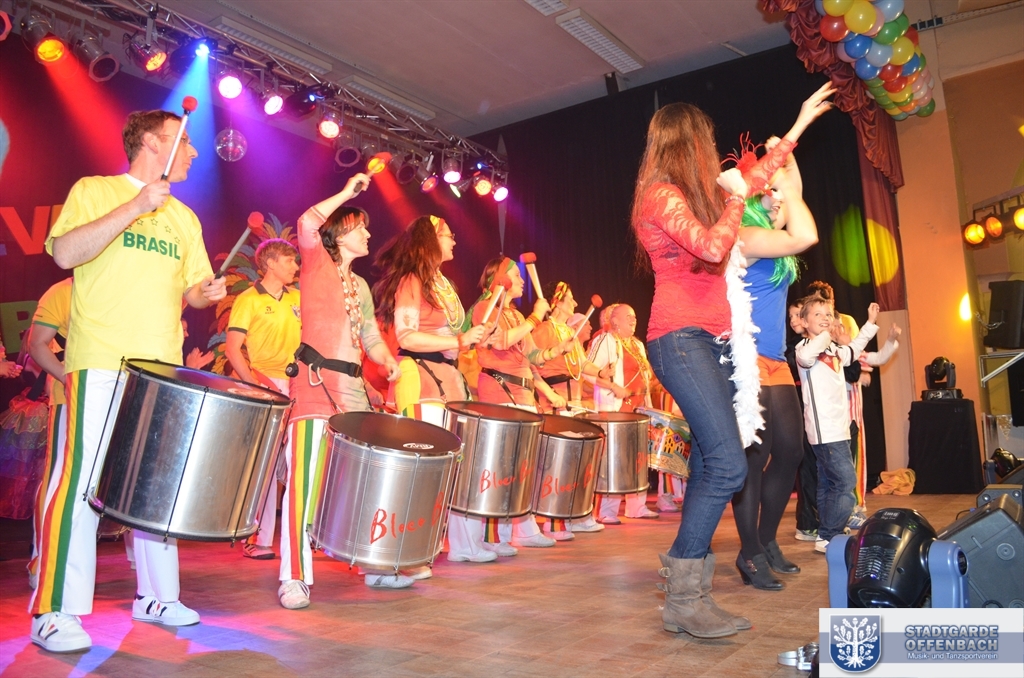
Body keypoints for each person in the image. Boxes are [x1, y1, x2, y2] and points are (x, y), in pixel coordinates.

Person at [631, 83, 832, 639]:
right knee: (728, 463)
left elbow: (760, 174)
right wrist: (737, 198)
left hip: (713, 341)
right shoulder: (660, 196)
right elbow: (713, 246)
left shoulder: (696, 196)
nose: (711, 148)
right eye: (705, 139)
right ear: (688, 143)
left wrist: (798, 125)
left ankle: (689, 596)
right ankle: (682, 592)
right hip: (680, 338)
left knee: (710, 463)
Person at [31, 109, 226, 652]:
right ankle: (54, 610)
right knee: (81, 484)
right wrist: (136, 206)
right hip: (101, 359)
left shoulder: (185, 217)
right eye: (183, 143)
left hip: (161, 370)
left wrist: (207, 294)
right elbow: (65, 252)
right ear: (150, 142)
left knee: (152, 490)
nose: (193, 153)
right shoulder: (96, 190)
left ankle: (157, 597)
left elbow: (194, 290)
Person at [277, 175, 401, 610]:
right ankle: (294, 577)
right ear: (340, 233)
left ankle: (371, 562)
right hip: (314, 386)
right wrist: (348, 194)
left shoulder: (361, 286)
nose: (368, 234)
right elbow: (307, 223)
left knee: (359, 484)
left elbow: (370, 336)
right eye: (359, 227)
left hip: (353, 395)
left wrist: (385, 360)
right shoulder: (315, 262)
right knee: (303, 483)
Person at [371, 215, 490, 565]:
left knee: (455, 465)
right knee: (423, 467)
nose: (454, 240)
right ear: (430, 240)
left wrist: (467, 340)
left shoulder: (441, 283)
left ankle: (465, 545)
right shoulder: (412, 280)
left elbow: (448, 338)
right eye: (448, 235)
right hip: (420, 378)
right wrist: (459, 340)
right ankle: (405, 552)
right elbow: (407, 337)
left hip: (447, 376)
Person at [729, 136, 820, 591]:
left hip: (775, 359)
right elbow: (805, 232)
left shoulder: (768, 227)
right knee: (754, 457)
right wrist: (779, 180)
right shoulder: (745, 236)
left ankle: (765, 541)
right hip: (744, 359)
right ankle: (749, 551)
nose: (778, 198)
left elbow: (792, 193)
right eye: (768, 192)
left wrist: (787, 156)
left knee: (791, 451)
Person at [471, 257, 567, 550]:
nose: (522, 280)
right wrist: (535, 318)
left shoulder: (514, 314)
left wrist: (556, 352)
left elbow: (532, 357)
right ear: (500, 278)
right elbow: (501, 341)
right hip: (501, 391)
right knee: (501, 466)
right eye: (516, 274)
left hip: (523, 395)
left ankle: (523, 528)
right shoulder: (486, 307)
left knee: (523, 467)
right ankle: (493, 536)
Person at [225, 239, 301, 560]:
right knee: (266, 465)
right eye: (289, 261)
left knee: (298, 461)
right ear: (270, 263)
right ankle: (257, 536)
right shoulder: (248, 299)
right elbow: (232, 349)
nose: (295, 266)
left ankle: (304, 536)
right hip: (267, 382)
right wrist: (254, 385)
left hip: (299, 385)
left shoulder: (298, 297)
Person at [795, 296, 879, 554]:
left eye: (829, 314)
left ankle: (826, 533)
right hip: (824, 431)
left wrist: (870, 323)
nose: (825, 318)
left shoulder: (832, 350)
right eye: (818, 314)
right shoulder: (804, 348)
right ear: (804, 322)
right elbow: (807, 357)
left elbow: (853, 349)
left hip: (840, 428)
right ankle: (830, 534)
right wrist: (825, 333)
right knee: (845, 482)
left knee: (828, 484)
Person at [532, 281, 613, 535]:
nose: (576, 303)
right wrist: (548, 395)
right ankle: (554, 521)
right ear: (556, 302)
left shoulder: (570, 333)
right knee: (557, 464)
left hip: (574, 403)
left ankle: (577, 514)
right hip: (555, 403)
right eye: (570, 299)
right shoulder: (543, 330)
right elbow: (532, 364)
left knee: (577, 462)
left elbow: (582, 363)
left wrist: (600, 372)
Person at [588, 303, 659, 522]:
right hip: (615, 410)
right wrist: (611, 385)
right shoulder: (605, 341)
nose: (633, 319)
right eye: (628, 316)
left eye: (634, 316)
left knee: (638, 459)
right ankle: (606, 511)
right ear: (614, 320)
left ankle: (636, 507)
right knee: (614, 460)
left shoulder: (637, 345)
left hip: (639, 409)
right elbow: (587, 372)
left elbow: (645, 377)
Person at [25, 278, 72, 590]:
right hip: (68, 396)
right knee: (58, 476)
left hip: (116, 392)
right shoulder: (62, 291)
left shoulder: (119, 281)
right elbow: (36, 345)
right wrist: (67, 379)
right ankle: (42, 561)